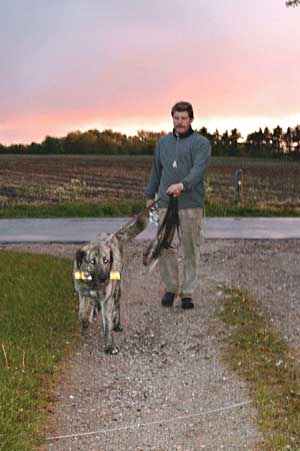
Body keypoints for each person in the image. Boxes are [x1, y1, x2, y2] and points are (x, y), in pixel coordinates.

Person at [145, 101, 211, 309]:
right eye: (176, 118)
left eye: (184, 118)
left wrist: (183, 185)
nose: (180, 122)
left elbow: (198, 170)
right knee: (165, 246)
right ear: (172, 118)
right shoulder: (163, 143)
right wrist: (150, 194)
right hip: (165, 203)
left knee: (191, 249)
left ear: (191, 119)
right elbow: (156, 170)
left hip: (191, 204)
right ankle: (171, 288)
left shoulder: (201, 144)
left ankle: (187, 292)